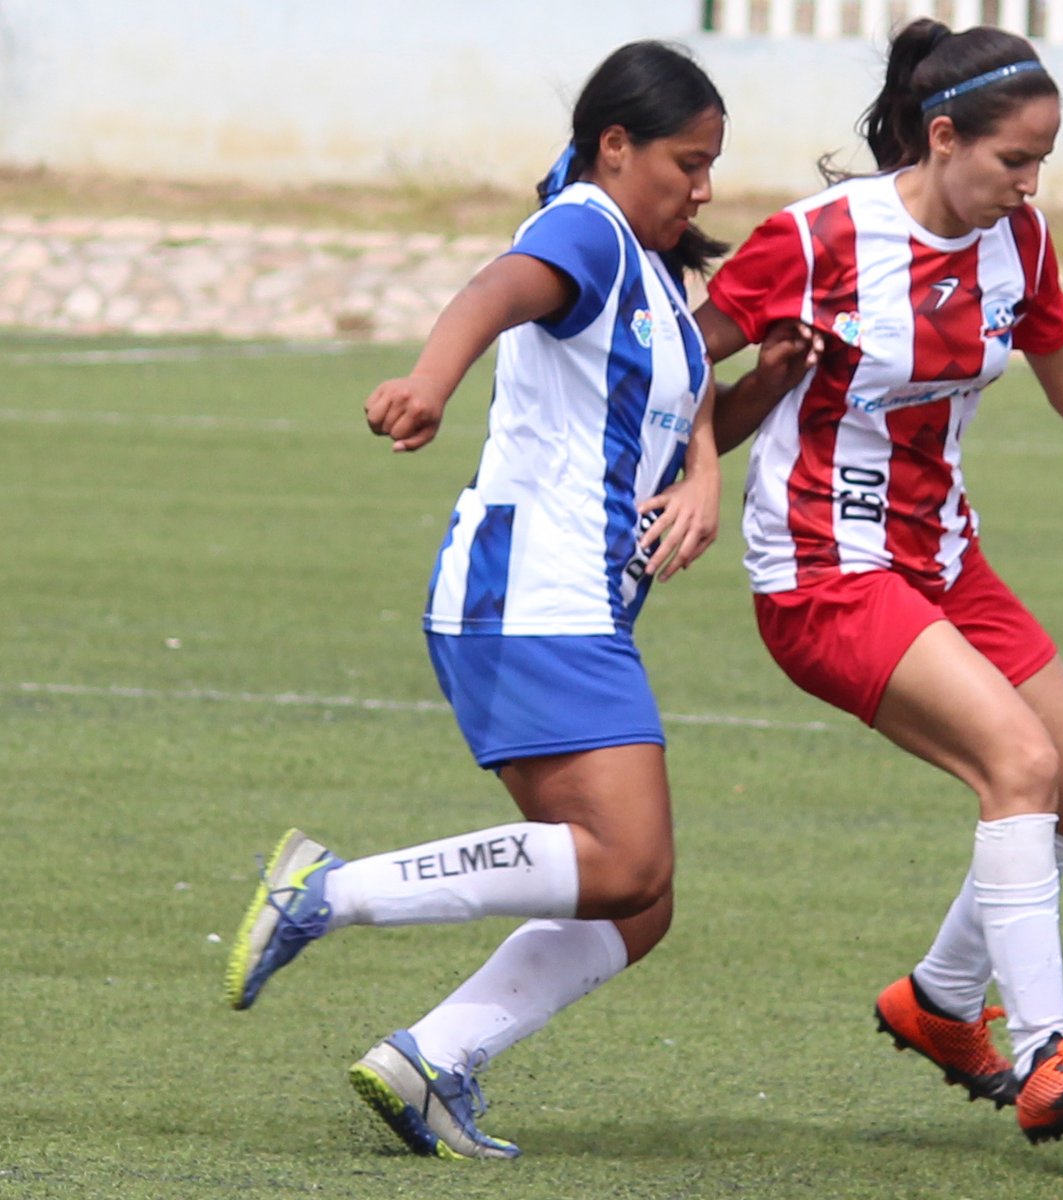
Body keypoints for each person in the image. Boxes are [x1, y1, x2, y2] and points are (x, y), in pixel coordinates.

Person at [695, 20, 1063, 1144]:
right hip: (825, 568)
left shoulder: (1020, 241)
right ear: (942, 137)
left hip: (943, 560)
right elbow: (682, 358)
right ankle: (1044, 1050)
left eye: (1043, 162)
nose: (1030, 185)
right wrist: (697, 474)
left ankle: (940, 998)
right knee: (1020, 764)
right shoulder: (818, 240)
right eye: (1015, 160)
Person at [223, 41, 767, 1160]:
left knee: (636, 903)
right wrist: (431, 382)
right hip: (530, 596)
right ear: (614, 147)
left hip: (567, 605)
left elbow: (666, 427)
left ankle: (432, 1058)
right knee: (626, 865)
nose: (705, 189)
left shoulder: (651, 273)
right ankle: (330, 890)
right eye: (689, 162)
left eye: (712, 165)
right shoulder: (586, 226)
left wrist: (757, 401)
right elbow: (494, 289)